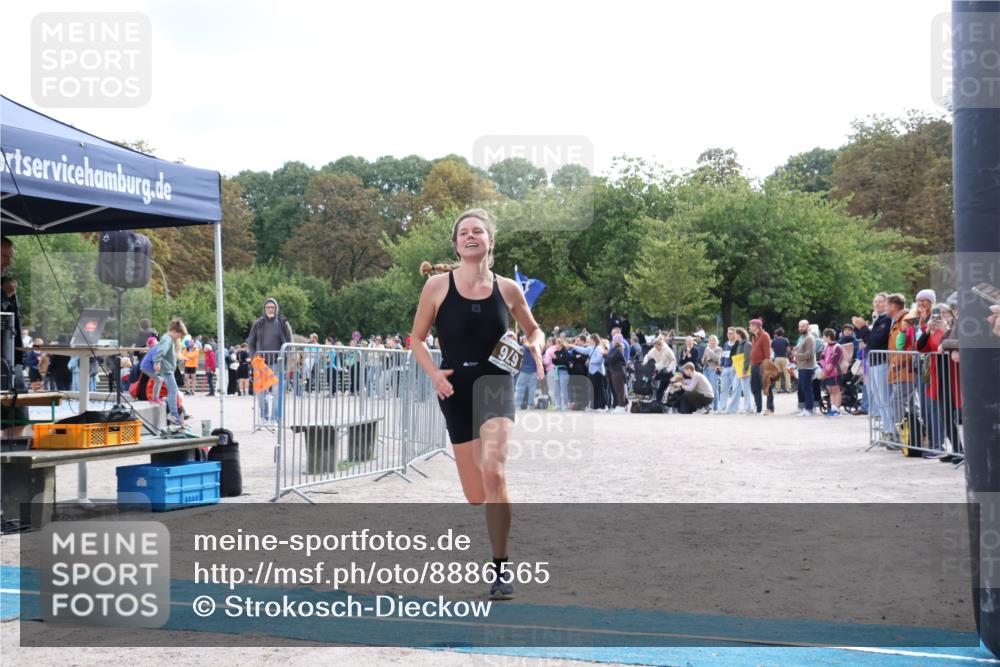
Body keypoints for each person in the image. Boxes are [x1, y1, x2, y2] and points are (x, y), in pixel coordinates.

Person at [410, 208, 545, 601]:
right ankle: (495, 518)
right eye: (464, 232)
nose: (471, 236)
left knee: (494, 473)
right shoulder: (436, 287)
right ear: (456, 244)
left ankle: (501, 567)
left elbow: (533, 329)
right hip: (454, 389)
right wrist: (434, 374)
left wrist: (534, 345)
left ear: (490, 242)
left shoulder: (508, 290)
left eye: (478, 231)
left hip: (496, 382)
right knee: (474, 493)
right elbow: (416, 339)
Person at [247, 298, 293, 422]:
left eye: (272, 307)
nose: (270, 309)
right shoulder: (258, 323)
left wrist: (286, 360)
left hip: (277, 363)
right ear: (264, 309)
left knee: (277, 393)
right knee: (261, 393)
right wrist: (253, 357)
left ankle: (275, 418)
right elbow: (250, 342)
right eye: (268, 307)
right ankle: (264, 416)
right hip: (261, 364)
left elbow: (289, 343)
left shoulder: (283, 323)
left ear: (276, 308)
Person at [152, 319, 187, 427]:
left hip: (168, 369)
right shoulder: (167, 339)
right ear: (174, 331)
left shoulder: (168, 339)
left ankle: (177, 413)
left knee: (173, 391)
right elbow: (160, 351)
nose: (178, 338)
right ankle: (173, 414)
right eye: (179, 335)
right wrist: (157, 362)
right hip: (167, 370)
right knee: (173, 390)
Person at [572, 333, 607, 411]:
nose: (588, 341)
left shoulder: (598, 348)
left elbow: (600, 359)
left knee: (599, 390)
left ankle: (602, 407)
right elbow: (583, 350)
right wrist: (573, 346)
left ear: (594, 340)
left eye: (590, 339)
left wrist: (591, 361)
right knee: (594, 390)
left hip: (598, 372)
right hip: (592, 372)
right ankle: (595, 406)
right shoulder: (592, 348)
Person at [748, 319, 773, 415]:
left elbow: (767, 353)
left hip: (762, 365)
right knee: (755, 387)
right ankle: (758, 408)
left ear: (756, 326)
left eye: (751, 325)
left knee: (767, 387)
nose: (749, 327)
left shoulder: (765, 336)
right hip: (754, 365)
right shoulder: (754, 337)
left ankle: (770, 409)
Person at [643, 336, 677, 405]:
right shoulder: (654, 350)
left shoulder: (667, 350)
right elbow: (647, 356)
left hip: (668, 371)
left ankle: (668, 403)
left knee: (666, 387)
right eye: (654, 347)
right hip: (660, 370)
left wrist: (669, 369)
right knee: (658, 386)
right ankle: (658, 403)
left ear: (661, 345)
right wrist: (645, 361)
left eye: (657, 347)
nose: (656, 349)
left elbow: (673, 360)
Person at [726, 328, 752, 414]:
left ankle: (748, 408)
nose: (734, 335)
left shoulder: (747, 344)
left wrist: (745, 370)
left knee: (746, 390)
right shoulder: (739, 344)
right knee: (735, 388)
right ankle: (732, 409)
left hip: (744, 370)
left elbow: (747, 359)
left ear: (739, 334)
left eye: (735, 334)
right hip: (738, 369)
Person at [819, 328, 845, 416]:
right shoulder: (826, 346)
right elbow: (822, 358)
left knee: (836, 390)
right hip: (827, 373)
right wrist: (824, 369)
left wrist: (825, 371)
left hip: (835, 373)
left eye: (824, 336)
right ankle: (833, 408)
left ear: (828, 336)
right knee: (830, 390)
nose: (822, 337)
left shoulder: (837, 347)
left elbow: (833, 363)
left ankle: (837, 410)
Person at [794, 320, 817, 416]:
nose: (801, 328)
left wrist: (797, 354)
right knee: (803, 388)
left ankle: (809, 409)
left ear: (808, 327)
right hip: (801, 367)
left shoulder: (809, 338)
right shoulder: (803, 337)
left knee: (807, 389)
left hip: (807, 367)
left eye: (803, 326)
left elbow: (810, 354)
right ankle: (805, 408)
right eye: (800, 326)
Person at [771, 327, 791, 393]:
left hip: (776, 358)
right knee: (787, 374)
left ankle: (778, 388)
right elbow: (788, 349)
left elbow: (772, 349)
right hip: (784, 358)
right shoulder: (786, 340)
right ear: (783, 333)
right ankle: (788, 388)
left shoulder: (774, 341)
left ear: (776, 334)